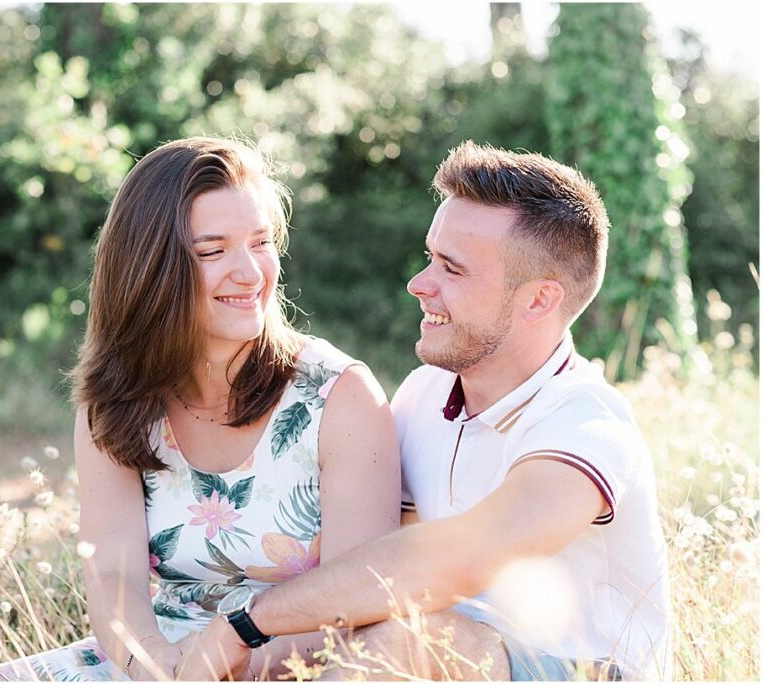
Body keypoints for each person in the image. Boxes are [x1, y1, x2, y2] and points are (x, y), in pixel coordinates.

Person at [177, 141, 670, 681]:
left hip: (580, 670)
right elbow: (372, 579)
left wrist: (246, 624)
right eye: (429, 257)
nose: (419, 285)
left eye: (451, 270)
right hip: (427, 659)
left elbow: (464, 557)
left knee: (412, 641)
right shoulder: (424, 394)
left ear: (538, 301)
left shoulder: (586, 420)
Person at [0, 137, 400, 681]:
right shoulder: (117, 401)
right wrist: (153, 663)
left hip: (298, 667)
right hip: (156, 661)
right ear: (150, 268)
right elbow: (114, 573)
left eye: (260, 243)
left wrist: (219, 665)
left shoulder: (341, 397)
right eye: (213, 251)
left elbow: (357, 602)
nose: (250, 272)